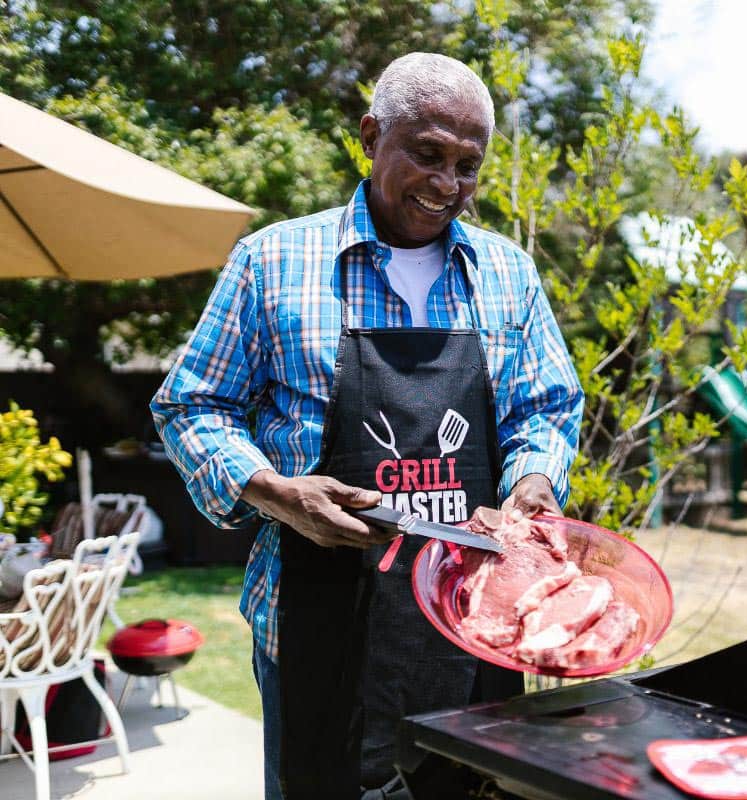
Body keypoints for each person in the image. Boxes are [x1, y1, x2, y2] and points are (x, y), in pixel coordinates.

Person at [151, 52, 583, 800]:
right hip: (319, 621)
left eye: (468, 165)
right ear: (370, 134)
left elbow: (543, 407)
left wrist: (534, 485)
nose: (447, 185)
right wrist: (273, 491)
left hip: (475, 627)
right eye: (427, 154)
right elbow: (192, 406)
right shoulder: (274, 261)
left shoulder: (507, 272)